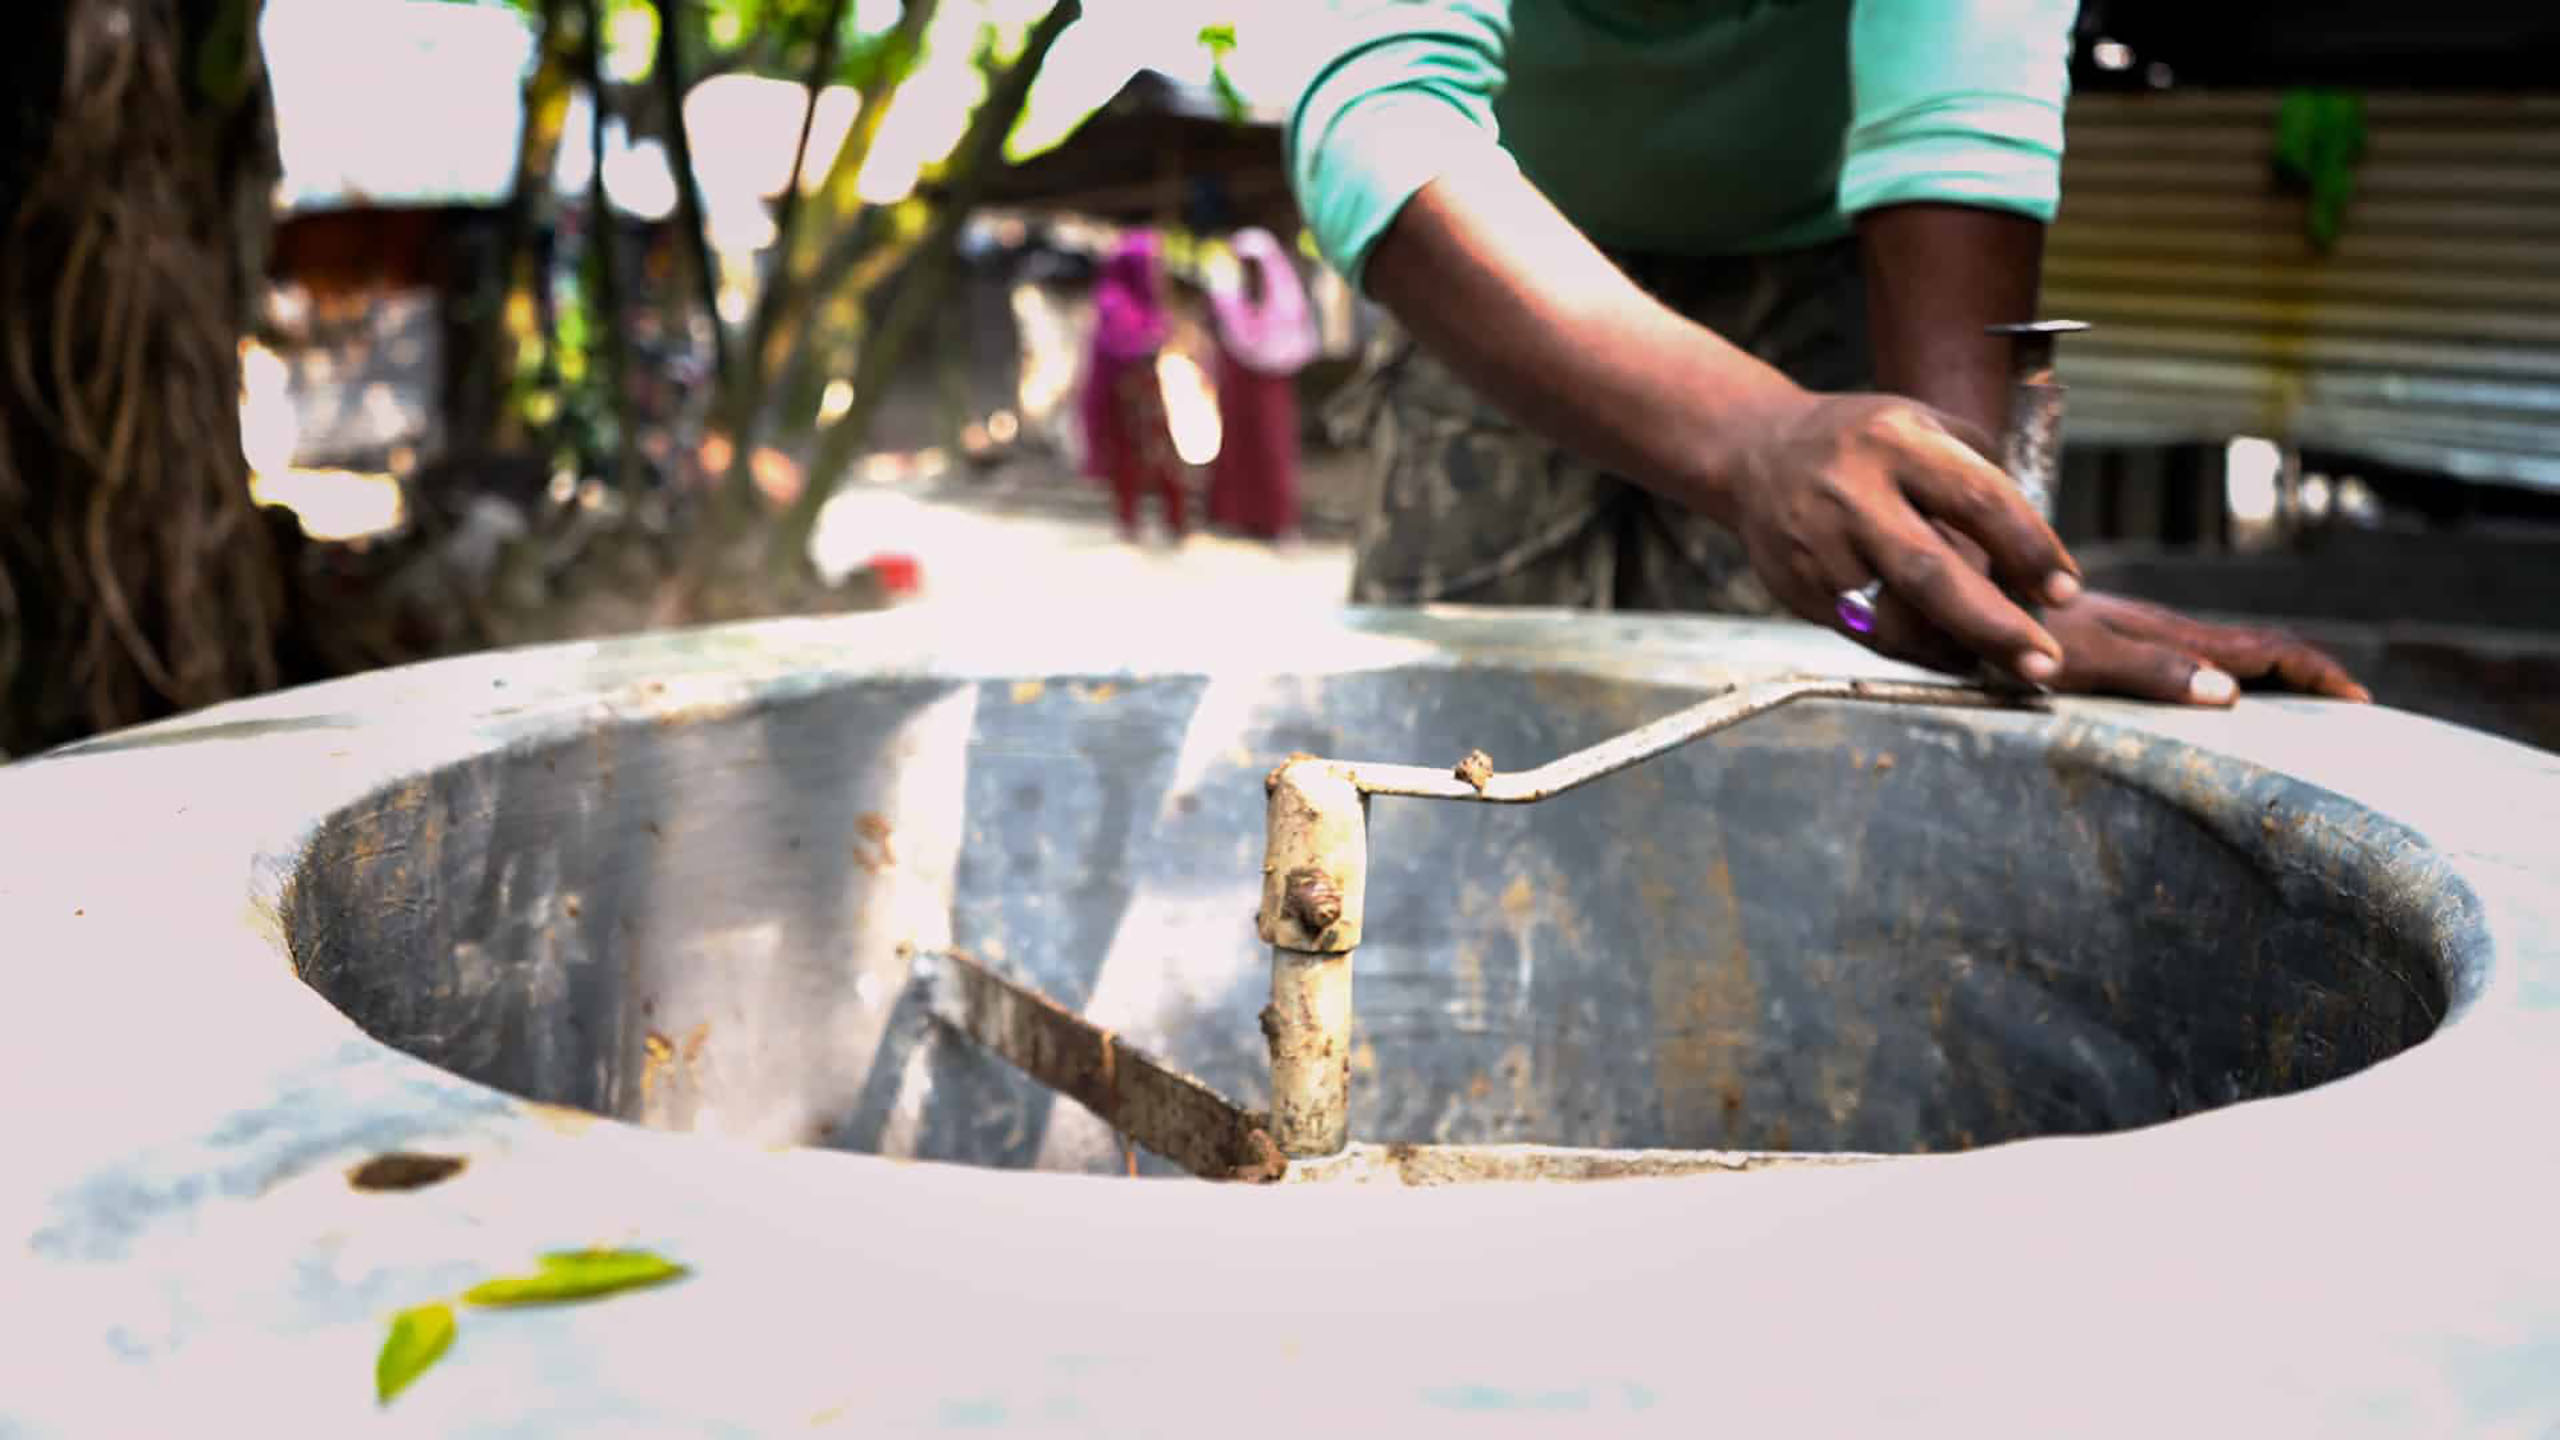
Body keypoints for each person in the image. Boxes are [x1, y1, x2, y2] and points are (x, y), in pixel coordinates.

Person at [1287, 0, 2367, 705]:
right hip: (1491, 271)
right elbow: (1382, 113)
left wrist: (1972, 575)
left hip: (1814, 279)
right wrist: (1754, 439)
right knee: (1445, 716)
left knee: (1797, 707)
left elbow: (1956, 120)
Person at [1205, 227, 1322, 541]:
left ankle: (1275, 520)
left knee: (1272, 449)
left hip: (1270, 387)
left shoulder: (1284, 300)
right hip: (1238, 386)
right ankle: (1237, 517)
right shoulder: (1230, 299)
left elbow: (1287, 343)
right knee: (1238, 449)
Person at [1077, 231, 1188, 542]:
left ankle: (1174, 520)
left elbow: (1160, 334)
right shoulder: (1113, 299)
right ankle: (1129, 521)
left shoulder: (1147, 298)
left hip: (1149, 391)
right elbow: (1123, 343)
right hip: (1124, 393)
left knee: (1165, 454)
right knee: (1128, 456)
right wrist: (1150, 342)